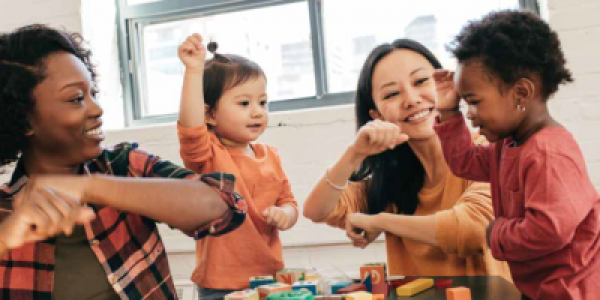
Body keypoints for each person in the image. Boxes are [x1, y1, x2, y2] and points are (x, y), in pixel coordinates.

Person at [0, 24, 247, 300]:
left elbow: (222, 205)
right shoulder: (6, 215)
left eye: (93, 93)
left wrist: (88, 187)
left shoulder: (123, 166)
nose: (97, 109)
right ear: (24, 118)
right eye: (77, 99)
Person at [303, 39, 509, 278]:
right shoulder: (391, 180)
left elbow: (474, 228)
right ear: (378, 115)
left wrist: (381, 221)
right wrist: (354, 154)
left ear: (446, 83)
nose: (411, 99)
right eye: (392, 94)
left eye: (421, 81)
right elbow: (316, 211)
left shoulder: (488, 152)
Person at [434, 10, 600, 300]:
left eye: (474, 102)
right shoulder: (508, 145)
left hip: (574, 291)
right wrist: (449, 112)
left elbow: (549, 230)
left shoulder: (548, 154)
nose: (470, 115)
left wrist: (495, 232)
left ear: (520, 93)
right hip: (541, 288)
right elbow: (465, 162)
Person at [176, 34, 298, 298]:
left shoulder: (271, 156)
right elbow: (190, 128)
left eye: (262, 102)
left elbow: (290, 202)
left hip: (269, 278)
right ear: (209, 114)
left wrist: (285, 214)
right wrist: (193, 71)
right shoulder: (208, 155)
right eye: (244, 103)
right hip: (221, 284)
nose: (257, 112)